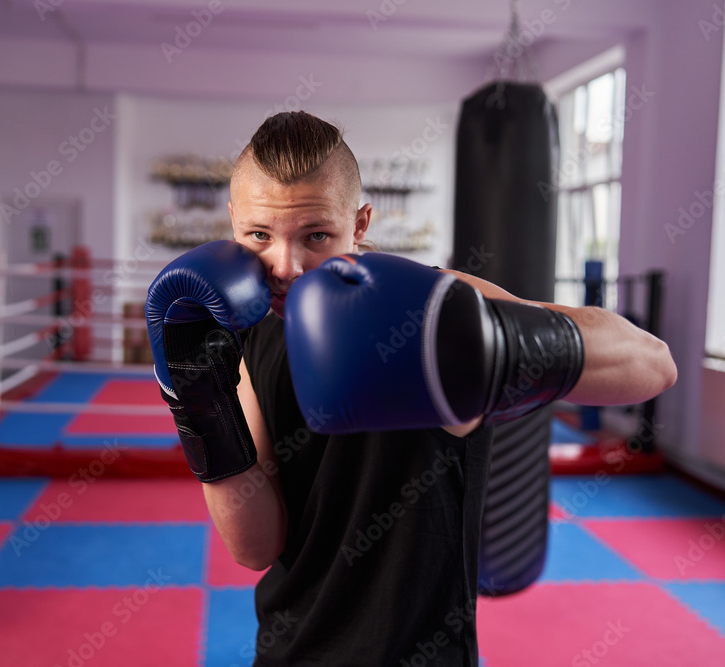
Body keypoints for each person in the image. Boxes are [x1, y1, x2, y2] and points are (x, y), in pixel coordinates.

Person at [146, 111, 677, 666]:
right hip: (289, 651)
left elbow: (653, 365)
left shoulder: (434, 307)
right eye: (259, 235)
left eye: (316, 235)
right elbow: (254, 547)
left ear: (360, 222)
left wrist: (491, 345)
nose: (287, 266)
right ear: (232, 221)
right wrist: (200, 408)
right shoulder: (243, 333)